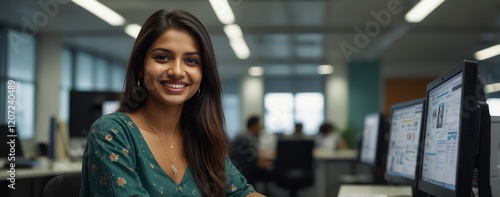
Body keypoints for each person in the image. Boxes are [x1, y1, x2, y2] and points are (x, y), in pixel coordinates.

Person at [80, 9, 264, 197]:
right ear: (140, 66)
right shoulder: (112, 132)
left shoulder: (201, 136)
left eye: (191, 60)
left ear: (203, 74)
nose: (177, 71)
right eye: (162, 57)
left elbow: (240, 193)